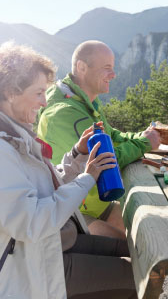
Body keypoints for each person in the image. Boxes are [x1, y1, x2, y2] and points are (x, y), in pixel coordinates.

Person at [0, 42, 136, 298]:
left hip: (56, 243)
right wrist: (87, 178)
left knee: (135, 251)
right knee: (139, 274)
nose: (44, 102)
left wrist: (76, 155)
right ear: (10, 92)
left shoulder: (14, 136)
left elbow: (45, 188)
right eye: (39, 93)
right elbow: (31, 223)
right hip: (34, 266)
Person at [37, 40, 160, 239]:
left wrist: (143, 136)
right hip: (73, 212)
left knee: (151, 223)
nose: (113, 74)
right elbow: (103, 161)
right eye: (107, 68)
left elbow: (113, 136)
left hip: (95, 202)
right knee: (138, 249)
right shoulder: (65, 113)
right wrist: (144, 144)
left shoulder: (84, 101)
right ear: (82, 67)